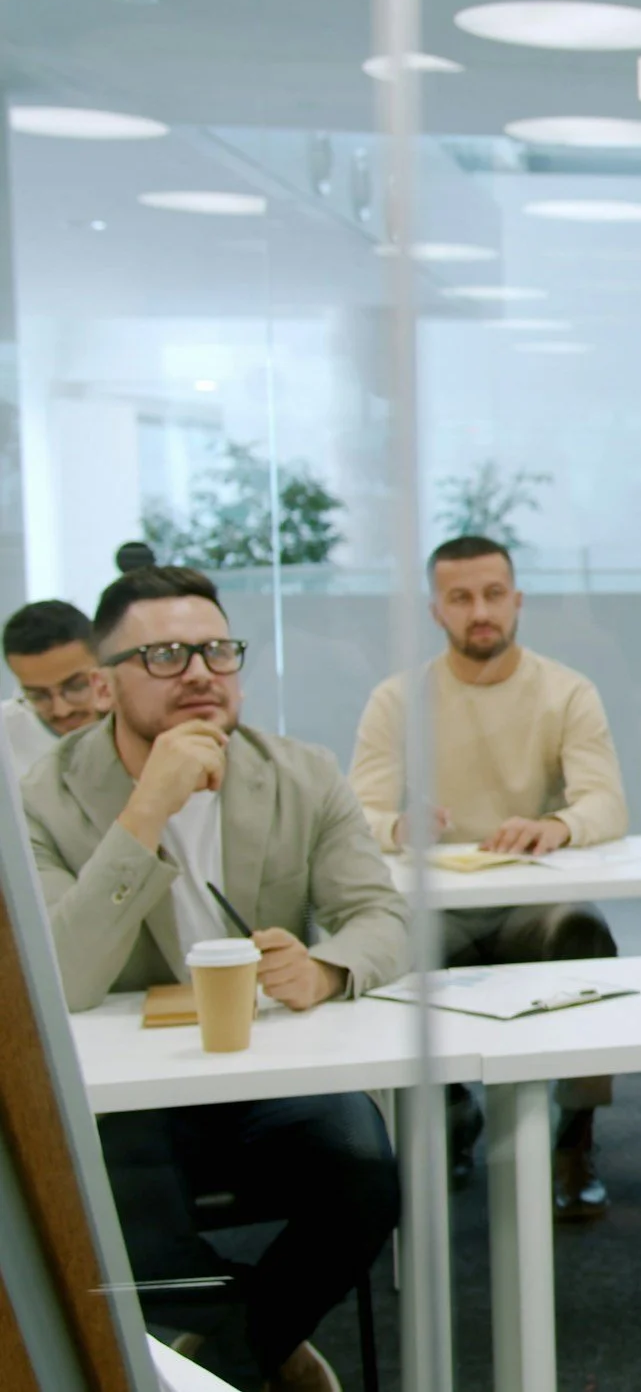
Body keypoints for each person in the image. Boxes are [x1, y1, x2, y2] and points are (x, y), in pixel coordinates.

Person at [24, 566, 405, 1392]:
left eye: (217, 651)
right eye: (164, 654)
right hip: (136, 1087)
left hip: (267, 1066)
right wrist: (145, 812)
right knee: (117, 1206)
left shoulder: (300, 772)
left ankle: (226, 1360)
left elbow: (383, 917)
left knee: (367, 1173)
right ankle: (255, 1340)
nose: (199, 672)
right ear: (106, 680)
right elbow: (62, 979)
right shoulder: (42, 799)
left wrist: (328, 966)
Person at [347, 534, 629, 1215]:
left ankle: (575, 1136)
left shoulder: (566, 692)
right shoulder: (397, 699)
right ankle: (449, 1117)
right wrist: (397, 827)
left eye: (494, 595)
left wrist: (557, 825)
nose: (481, 611)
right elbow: (360, 808)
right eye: (461, 598)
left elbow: (607, 803)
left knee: (585, 937)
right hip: (436, 908)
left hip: (532, 902)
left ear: (517, 601)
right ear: (436, 610)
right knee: (386, 960)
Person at [4, 599, 111, 775]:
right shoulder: (6, 737)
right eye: (38, 695)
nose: (62, 710)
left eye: (76, 686)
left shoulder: (145, 715)